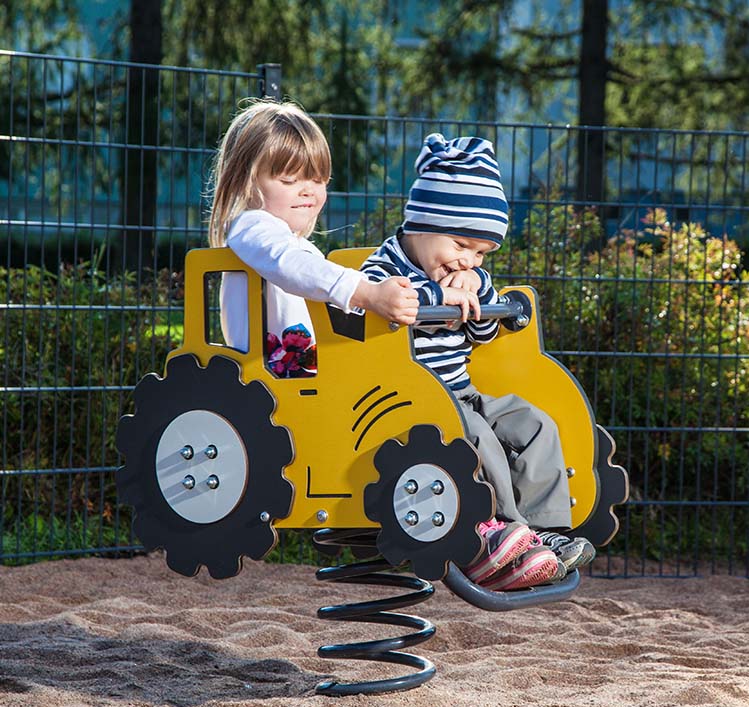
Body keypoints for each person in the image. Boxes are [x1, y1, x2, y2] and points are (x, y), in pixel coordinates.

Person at [361, 133, 595, 591]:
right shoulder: (383, 269)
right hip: (416, 400)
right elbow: (382, 305)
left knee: (533, 425)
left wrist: (479, 299)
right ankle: (507, 532)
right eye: (461, 244)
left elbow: (481, 334)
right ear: (422, 224)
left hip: (462, 389)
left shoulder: (469, 275)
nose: (468, 260)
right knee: (479, 436)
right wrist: (440, 295)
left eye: (482, 252)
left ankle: (548, 530)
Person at [207, 99, 418, 376]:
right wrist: (367, 293)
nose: (308, 191)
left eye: (318, 180)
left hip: (300, 379)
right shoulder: (252, 227)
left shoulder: (299, 247)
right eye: (289, 180)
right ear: (247, 182)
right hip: (270, 381)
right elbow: (289, 265)